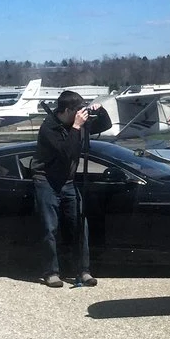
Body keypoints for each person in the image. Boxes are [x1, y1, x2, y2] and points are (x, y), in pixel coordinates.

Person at [33, 90, 109, 288]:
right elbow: (67, 152)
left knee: (80, 225)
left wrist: (100, 111)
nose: (80, 115)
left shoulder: (78, 126)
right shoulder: (49, 128)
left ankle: (83, 270)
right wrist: (76, 127)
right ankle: (51, 272)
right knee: (50, 228)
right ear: (67, 110)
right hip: (47, 182)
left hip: (68, 182)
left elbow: (105, 125)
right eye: (77, 111)